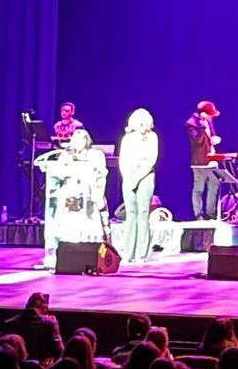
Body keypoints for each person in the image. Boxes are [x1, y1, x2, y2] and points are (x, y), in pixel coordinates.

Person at [34, 126, 109, 269]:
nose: (77, 142)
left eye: (80, 139)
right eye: (75, 139)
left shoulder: (95, 155)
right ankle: (59, 256)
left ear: (86, 141)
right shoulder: (66, 155)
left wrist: (98, 193)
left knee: (88, 225)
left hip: (88, 197)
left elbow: (100, 174)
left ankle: (92, 257)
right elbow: (56, 171)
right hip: (69, 196)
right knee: (67, 224)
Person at [117, 107, 160, 263]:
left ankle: (142, 254)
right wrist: (127, 177)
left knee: (143, 214)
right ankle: (128, 253)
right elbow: (122, 160)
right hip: (129, 176)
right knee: (131, 214)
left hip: (145, 176)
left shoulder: (152, 137)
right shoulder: (127, 138)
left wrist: (136, 178)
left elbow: (151, 160)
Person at [186, 101, 222, 222]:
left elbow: (210, 136)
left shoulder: (208, 122)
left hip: (211, 160)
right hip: (199, 162)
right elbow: (198, 141)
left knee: (214, 185)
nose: (212, 117)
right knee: (199, 189)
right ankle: (198, 214)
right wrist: (202, 126)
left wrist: (214, 139)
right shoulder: (192, 124)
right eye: (210, 115)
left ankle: (210, 212)